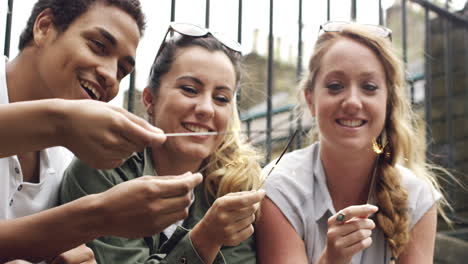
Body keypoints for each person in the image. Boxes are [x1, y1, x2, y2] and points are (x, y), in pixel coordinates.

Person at [1, 1, 202, 262]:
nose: (110, 75)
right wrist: (97, 216)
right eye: (98, 46)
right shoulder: (71, 139)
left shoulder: (66, 160)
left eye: (122, 71)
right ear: (45, 27)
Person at [59, 22, 265, 264]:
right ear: (149, 99)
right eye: (189, 89)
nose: (206, 109)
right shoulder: (101, 170)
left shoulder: (235, 185)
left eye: (221, 98)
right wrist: (205, 239)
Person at [256, 21, 446, 264]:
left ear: (389, 102)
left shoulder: (418, 198)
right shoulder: (279, 188)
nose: (353, 102)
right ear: (311, 99)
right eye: (335, 86)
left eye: (369, 87)